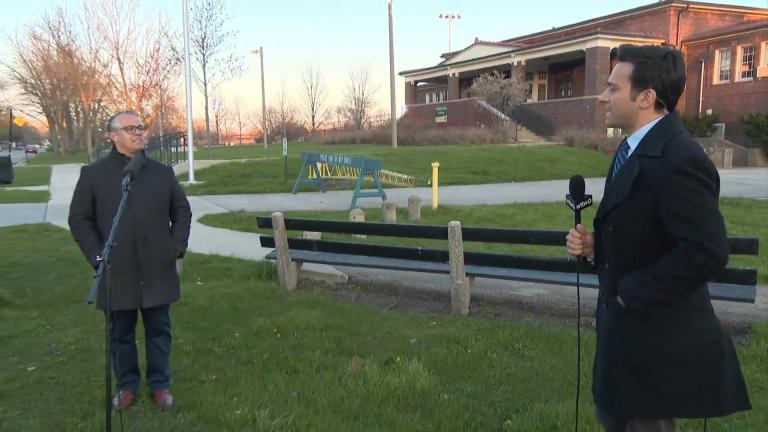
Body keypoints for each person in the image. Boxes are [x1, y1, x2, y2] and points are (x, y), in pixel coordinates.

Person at [566, 44, 750, 431]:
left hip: (653, 341)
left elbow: (707, 250)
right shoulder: (633, 146)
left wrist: (631, 292)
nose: (603, 97)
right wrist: (597, 246)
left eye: (613, 88)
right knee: (613, 415)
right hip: (624, 337)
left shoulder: (679, 157)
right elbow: (647, 230)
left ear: (646, 97)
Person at [69, 110, 192, 410]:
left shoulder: (162, 173)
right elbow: (79, 219)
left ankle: (160, 384)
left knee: (159, 330)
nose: (138, 132)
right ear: (112, 136)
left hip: (156, 268)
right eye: (130, 128)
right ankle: (127, 385)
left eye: (141, 127)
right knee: (120, 333)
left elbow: (181, 211)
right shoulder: (93, 174)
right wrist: (98, 256)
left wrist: (175, 248)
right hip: (116, 270)